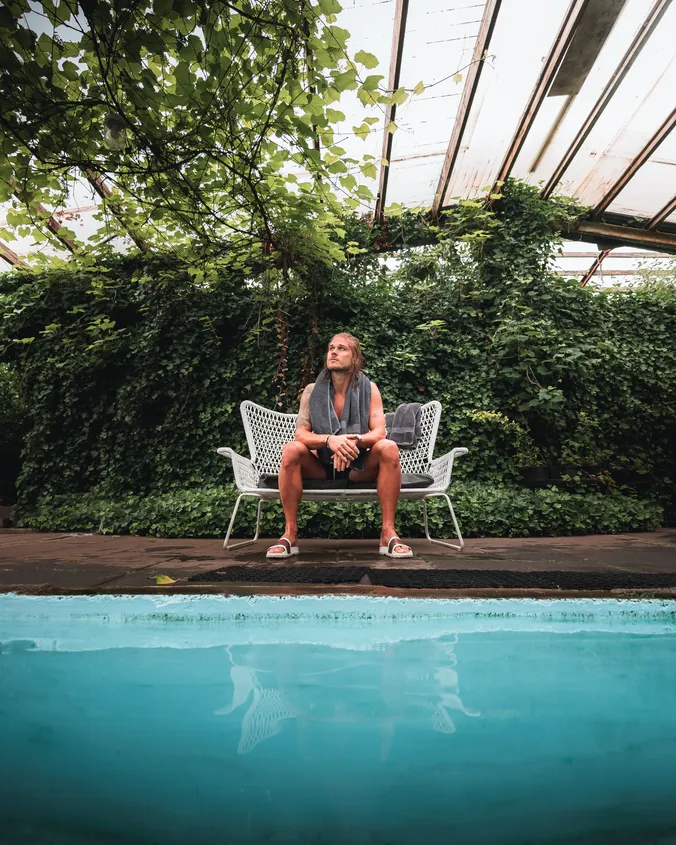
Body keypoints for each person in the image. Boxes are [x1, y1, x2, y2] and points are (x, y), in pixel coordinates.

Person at [266, 332, 413, 560]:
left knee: (389, 447)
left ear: (355, 358)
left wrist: (352, 441)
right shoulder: (312, 391)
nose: (333, 352)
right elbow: (300, 434)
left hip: (358, 466)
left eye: (341, 348)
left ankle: (388, 533)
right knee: (291, 449)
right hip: (321, 467)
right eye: (331, 348)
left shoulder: (369, 388)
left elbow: (379, 432)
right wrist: (330, 440)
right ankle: (290, 534)